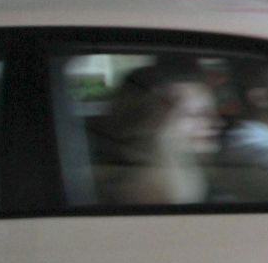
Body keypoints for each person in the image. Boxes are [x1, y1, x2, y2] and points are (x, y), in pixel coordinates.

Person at [95, 65, 221, 205]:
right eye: (194, 114)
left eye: (211, 112)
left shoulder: (192, 171)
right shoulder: (159, 187)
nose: (216, 123)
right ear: (153, 119)